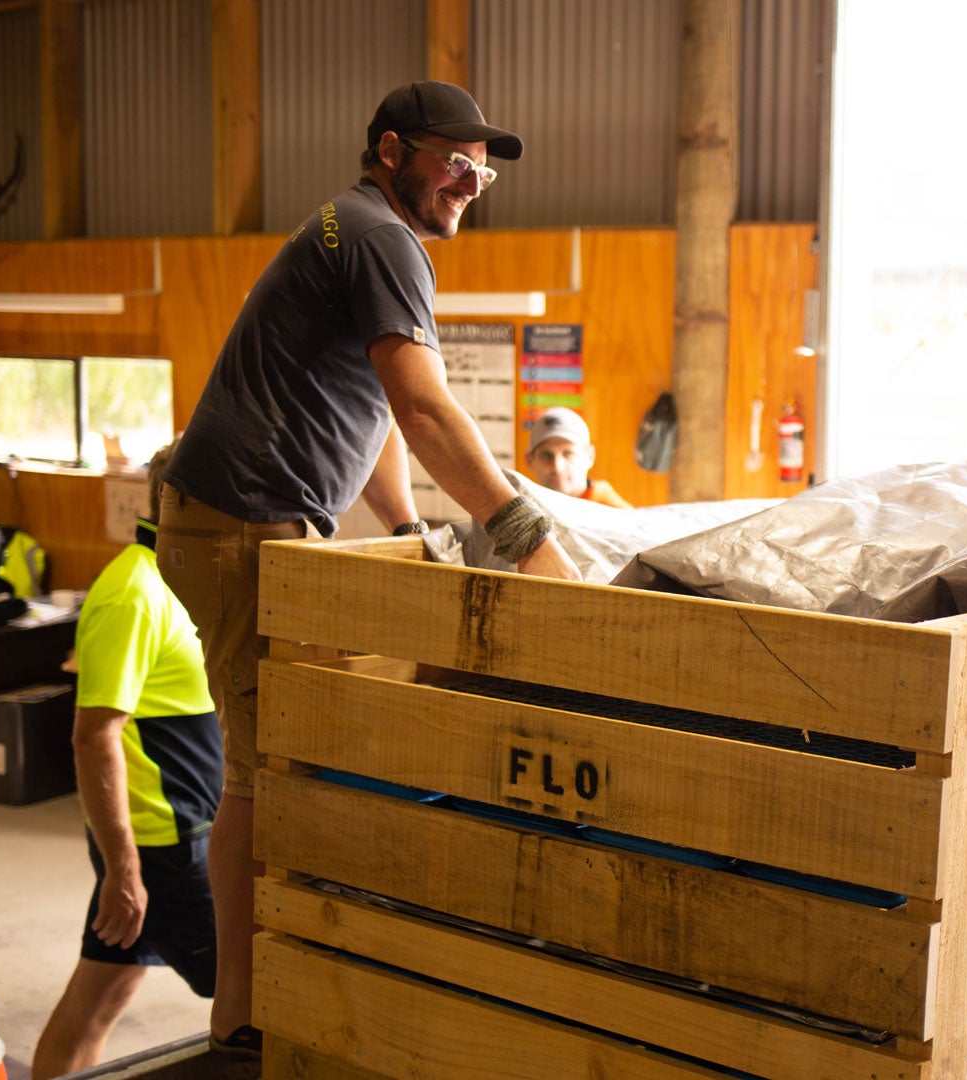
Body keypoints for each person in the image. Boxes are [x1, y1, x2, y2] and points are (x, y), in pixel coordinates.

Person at [156, 80, 582, 1060]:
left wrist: (406, 526)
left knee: (290, 754)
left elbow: (376, 408)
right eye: (455, 159)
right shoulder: (381, 235)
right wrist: (524, 534)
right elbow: (426, 406)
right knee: (266, 770)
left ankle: (283, 983)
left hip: (246, 524)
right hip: (240, 529)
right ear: (392, 151)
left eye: (486, 167)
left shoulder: (362, 232)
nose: (474, 180)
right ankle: (244, 1019)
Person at [34, 444, 223, 1079]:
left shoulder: (177, 582)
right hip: (163, 848)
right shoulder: (131, 595)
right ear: (183, 504)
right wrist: (124, 868)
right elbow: (93, 738)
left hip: (171, 837)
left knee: (99, 998)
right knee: (260, 999)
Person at [525, 406, 634, 508]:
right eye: (546, 455)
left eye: (568, 453)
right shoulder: (525, 511)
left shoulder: (619, 516)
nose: (557, 467)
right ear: (530, 460)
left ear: (590, 456)